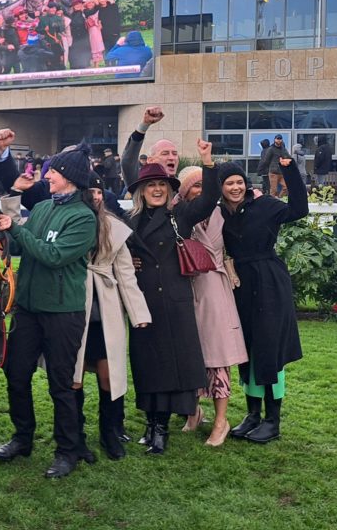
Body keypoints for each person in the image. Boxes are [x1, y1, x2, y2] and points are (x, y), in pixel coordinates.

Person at [0, 146, 97, 479]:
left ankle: (67, 451)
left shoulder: (84, 217)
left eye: (53, 171)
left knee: (61, 385)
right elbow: (24, 246)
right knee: (16, 375)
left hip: (63, 313)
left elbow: (52, 256)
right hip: (28, 310)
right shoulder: (41, 207)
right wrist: (3, 232)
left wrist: (17, 228)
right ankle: (22, 438)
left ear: (70, 178)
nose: (46, 175)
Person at [126, 139, 219, 455]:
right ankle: (150, 424)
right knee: (146, 366)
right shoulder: (132, 221)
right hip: (143, 303)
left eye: (162, 185)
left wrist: (208, 162)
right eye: (151, 184)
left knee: (169, 368)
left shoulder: (180, 216)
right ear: (142, 190)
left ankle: (161, 429)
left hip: (173, 303)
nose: (156, 189)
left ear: (169, 189)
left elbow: (208, 199)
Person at [218, 159, 308, 443]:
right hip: (241, 286)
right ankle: (253, 415)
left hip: (269, 283)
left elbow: (299, 209)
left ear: (246, 184)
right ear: (221, 188)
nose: (235, 187)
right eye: (229, 183)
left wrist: (289, 170)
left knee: (270, 350)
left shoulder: (265, 205)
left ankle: (273, 420)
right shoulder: (220, 214)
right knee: (248, 351)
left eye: (239, 182)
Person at [74, 172, 151, 460]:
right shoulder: (69, 221)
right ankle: (75, 435)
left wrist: (138, 313)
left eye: (99, 191)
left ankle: (110, 433)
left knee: (110, 376)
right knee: (74, 377)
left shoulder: (114, 227)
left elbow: (126, 274)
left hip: (105, 311)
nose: (95, 196)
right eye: (90, 190)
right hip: (74, 308)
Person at [174, 166, 248, 447]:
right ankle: (193, 412)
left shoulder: (222, 214)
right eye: (194, 186)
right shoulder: (178, 217)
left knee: (218, 356)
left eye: (203, 186)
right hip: (187, 287)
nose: (200, 191)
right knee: (190, 353)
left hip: (215, 289)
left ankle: (221, 421)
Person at [120, 106, 178, 190]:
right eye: (165, 153)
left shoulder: (183, 188)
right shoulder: (141, 183)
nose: (172, 158)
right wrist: (144, 126)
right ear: (150, 160)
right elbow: (127, 163)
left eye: (175, 154)